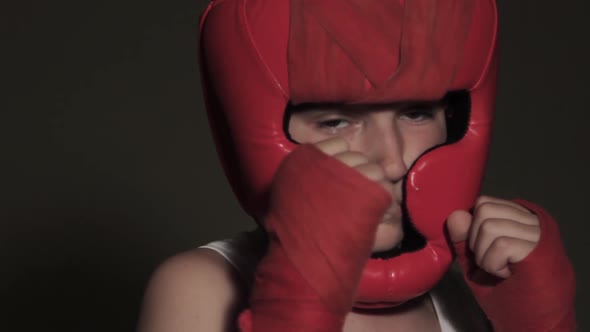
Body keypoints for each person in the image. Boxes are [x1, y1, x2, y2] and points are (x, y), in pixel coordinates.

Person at [138, 0, 576, 331]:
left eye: (418, 112)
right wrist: (299, 300)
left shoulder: (463, 293)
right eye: (335, 121)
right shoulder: (201, 287)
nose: (392, 158)